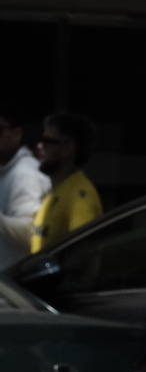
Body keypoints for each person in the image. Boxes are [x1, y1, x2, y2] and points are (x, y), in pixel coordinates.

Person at [30, 112, 101, 253]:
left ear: (68, 147)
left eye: (47, 141)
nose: (39, 146)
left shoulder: (80, 198)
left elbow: (81, 258)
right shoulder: (54, 192)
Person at [0, 106, 50, 267]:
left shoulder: (26, 173)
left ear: (16, 133)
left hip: (16, 282)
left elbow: (31, 233)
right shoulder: (7, 170)